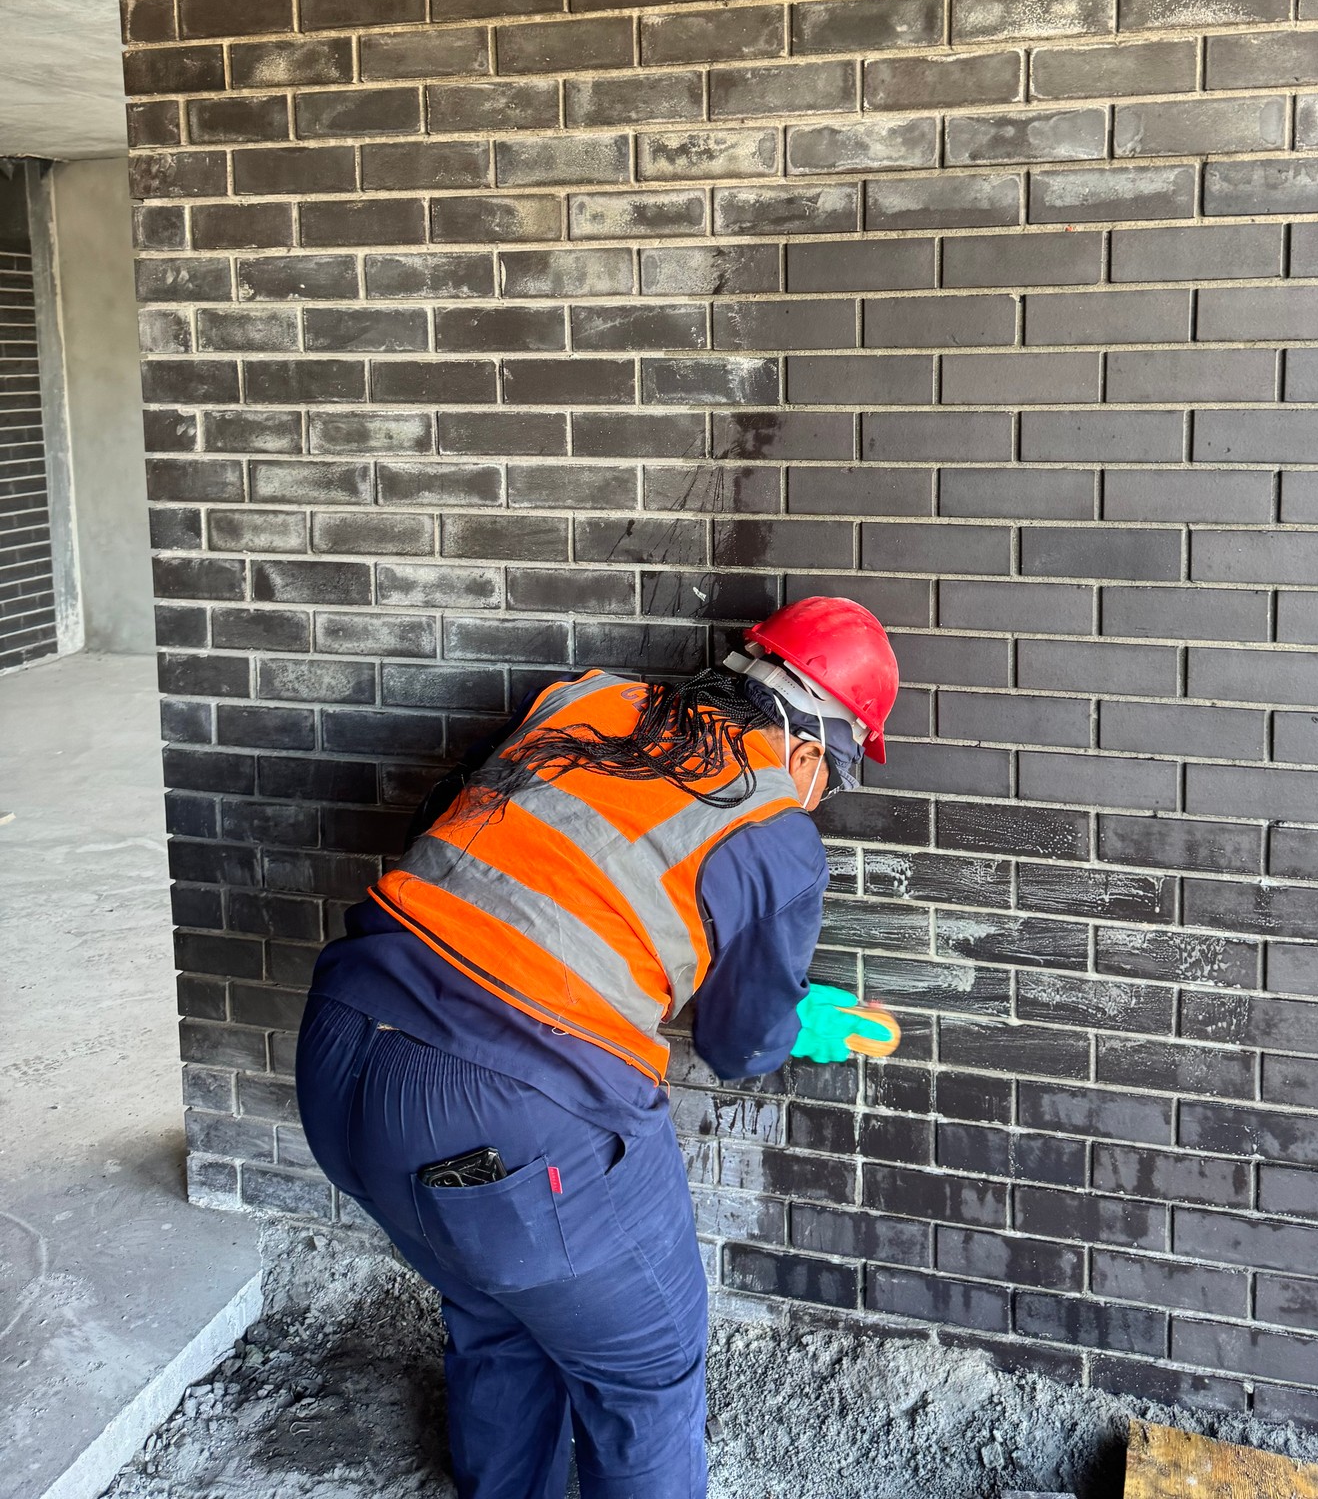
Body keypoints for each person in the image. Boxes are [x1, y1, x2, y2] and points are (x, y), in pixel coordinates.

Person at [294, 596, 901, 1499]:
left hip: (340, 1047)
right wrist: (793, 1021)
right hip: (507, 1115)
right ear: (811, 751)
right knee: (647, 1368)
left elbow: (450, 815)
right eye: (831, 779)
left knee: (498, 1308)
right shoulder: (779, 831)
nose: (818, 799)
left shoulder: (586, 698)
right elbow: (738, 1045)